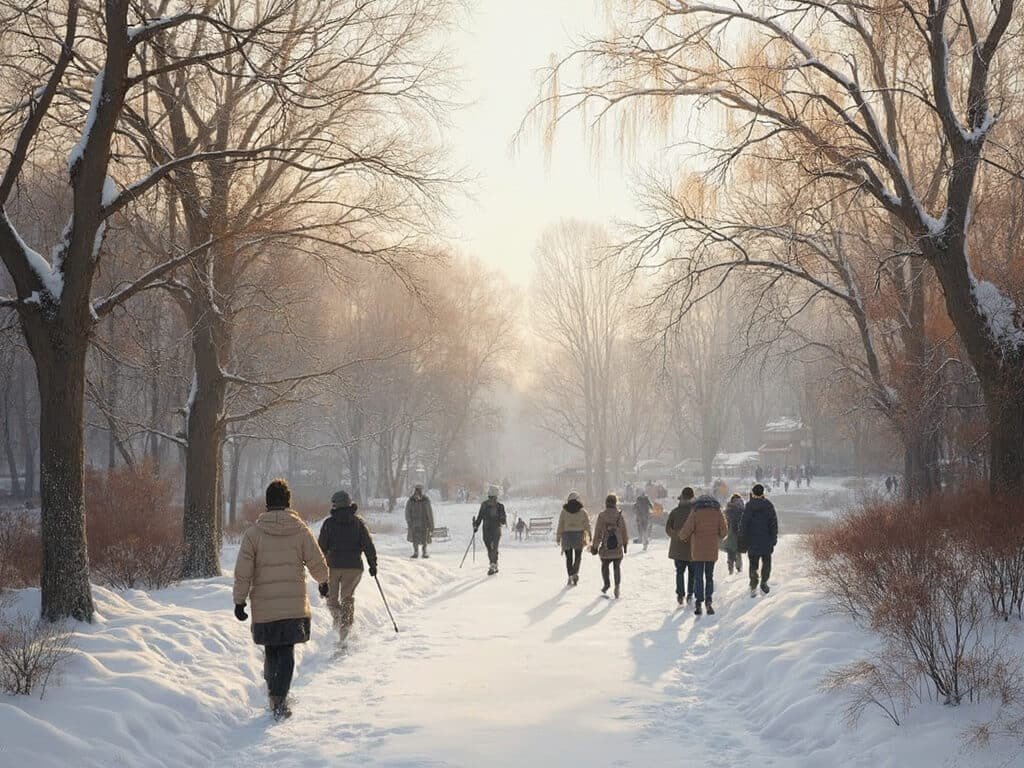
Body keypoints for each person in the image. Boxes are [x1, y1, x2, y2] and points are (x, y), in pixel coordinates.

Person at [233, 478, 329, 720]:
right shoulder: (300, 530)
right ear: (288, 502)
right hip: (293, 605)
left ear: (267, 503)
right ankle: (280, 698)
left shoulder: (253, 534)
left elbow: (243, 570)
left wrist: (239, 601)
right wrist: (324, 581)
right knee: (286, 650)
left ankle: (274, 694)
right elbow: (316, 561)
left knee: (272, 649)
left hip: (265, 606)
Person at [317, 490, 378, 643]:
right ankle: (345, 628)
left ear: (335, 505)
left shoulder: (329, 524)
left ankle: (339, 622)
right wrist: (372, 564)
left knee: (331, 600)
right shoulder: (358, 523)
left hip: (333, 566)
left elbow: (321, 548)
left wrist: (318, 569)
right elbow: (368, 545)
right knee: (347, 599)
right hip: (354, 567)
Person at [678, 494, 728, 616]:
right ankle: (709, 600)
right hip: (711, 549)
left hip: (698, 550)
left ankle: (699, 602)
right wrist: (719, 537)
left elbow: (687, 530)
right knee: (709, 576)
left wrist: (682, 537)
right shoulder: (717, 511)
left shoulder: (695, 511)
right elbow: (724, 531)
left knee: (698, 576)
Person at [741, 484, 779, 597]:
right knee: (766, 562)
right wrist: (773, 539)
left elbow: (744, 524)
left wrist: (744, 539)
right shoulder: (768, 505)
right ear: (763, 493)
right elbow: (773, 524)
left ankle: (753, 586)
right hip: (766, 540)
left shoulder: (748, 506)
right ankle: (764, 582)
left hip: (752, 541)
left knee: (753, 564)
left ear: (753, 493)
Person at [592, 493, 628, 598]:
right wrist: (625, 544)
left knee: (605, 566)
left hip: (605, 548)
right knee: (617, 567)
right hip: (617, 548)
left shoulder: (602, 516)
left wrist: (595, 546)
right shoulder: (619, 515)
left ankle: (606, 584)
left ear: (606, 503)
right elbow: (624, 531)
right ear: (615, 503)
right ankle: (617, 586)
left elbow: (598, 533)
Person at [666, 487, 696, 605]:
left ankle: (680, 594)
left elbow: (668, 528)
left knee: (679, 571)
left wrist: (675, 535)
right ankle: (690, 593)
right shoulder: (695, 512)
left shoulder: (675, 512)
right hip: (692, 547)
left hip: (678, 547)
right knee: (692, 572)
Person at [556, 491, 592, 587]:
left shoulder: (564, 511)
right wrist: (589, 534)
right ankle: (575, 572)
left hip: (567, 536)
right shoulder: (582, 511)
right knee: (578, 556)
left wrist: (558, 537)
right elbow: (587, 524)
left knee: (569, 558)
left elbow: (561, 525)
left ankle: (570, 575)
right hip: (578, 536)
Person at [474, 486, 507, 575]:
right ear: (497, 495)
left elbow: (480, 517)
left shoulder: (484, 505)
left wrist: (476, 525)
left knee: (489, 548)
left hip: (486, 529)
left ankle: (493, 565)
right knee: (494, 548)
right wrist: (501, 518)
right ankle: (494, 565)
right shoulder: (500, 506)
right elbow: (503, 521)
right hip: (496, 529)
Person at [405, 483, 434, 559]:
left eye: (419, 490)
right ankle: (416, 552)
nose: (418, 492)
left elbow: (429, 512)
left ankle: (424, 552)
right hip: (415, 523)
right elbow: (407, 512)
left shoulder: (426, 500)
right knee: (415, 539)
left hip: (424, 523)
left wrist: (431, 524)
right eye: (417, 490)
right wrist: (409, 522)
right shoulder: (411, 500)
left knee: (424, 539)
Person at [723, 493, 745, 575]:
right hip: (739, 533)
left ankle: (730, 569)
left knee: (730, 551)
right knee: (738, 551)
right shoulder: (742, 508)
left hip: (730, 532)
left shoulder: (729, 508)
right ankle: (739, 568)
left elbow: (725, 520)